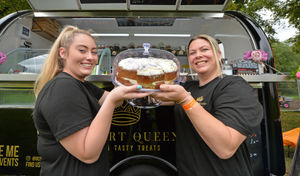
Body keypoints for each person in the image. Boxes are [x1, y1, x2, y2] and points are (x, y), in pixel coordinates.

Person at [33, 25, 151, 176]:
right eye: (82, 50)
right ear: (63, 53)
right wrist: (112, 100)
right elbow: (87, 153)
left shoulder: (82, 85)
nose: (90, 57)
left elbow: (117, 99)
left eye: (94, 52)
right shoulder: (62, 87)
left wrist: (146, 85)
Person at [152, 34, 263, 176]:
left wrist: (185, 99)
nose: (198, 55)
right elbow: (159, 97)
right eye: (192, 53)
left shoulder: (234, 86)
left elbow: (226, 147)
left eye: (204, 49)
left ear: (218, 54)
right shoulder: (189, 87)